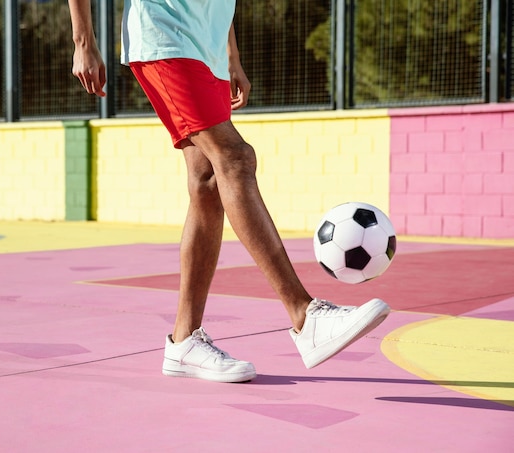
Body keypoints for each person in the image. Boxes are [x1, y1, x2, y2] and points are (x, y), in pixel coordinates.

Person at [68, 0, 390, 383]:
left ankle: (185, 341)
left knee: (206, 183)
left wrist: (230, 55)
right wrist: (83, 40)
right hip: (165, 36)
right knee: (236, 159)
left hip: (209, 49)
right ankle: (305, 315)